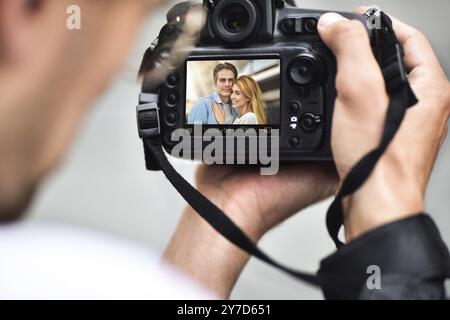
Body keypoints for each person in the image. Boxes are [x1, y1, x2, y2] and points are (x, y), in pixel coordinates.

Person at [0, 0, 448, 300]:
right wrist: (385, 198)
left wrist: (226, 212)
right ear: (19, 13)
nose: (113, 71)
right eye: (127, 23)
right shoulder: (53, 275)